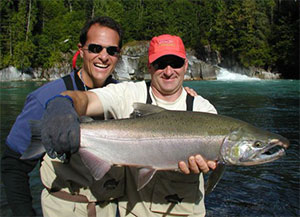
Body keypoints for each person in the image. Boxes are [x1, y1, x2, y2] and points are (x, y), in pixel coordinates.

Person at [39, 34, 217, 217]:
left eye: (176, 63)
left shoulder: (203, 110)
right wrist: (64, 102)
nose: (169, 71)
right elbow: (88, 99)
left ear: (186, 65)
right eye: (160, 64)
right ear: (149, 66)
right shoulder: (128, 93)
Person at [1, 16, 122, 217]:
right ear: (81, 49)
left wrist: (187, 96)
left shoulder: (125, 96)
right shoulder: (45, 98)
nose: (103, 56)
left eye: (112, 50)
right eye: (95, 48)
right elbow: (13, 165)